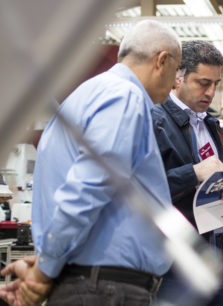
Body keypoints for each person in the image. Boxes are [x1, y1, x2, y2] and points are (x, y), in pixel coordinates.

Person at [0, 20, 182, 306]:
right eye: (176, 71)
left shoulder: (82, 98)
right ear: (162, 60)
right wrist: (44, 272)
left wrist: (47, 265)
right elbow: (89, 187)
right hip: (108, 289)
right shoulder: (125, 96)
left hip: (90, 282)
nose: (174, 84)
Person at [152, 40, 223, 305]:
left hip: (215, 257)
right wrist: (194, 172)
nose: (211, 92)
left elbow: (210, 186)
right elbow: (144, 189)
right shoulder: (154, 120)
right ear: (177, 78)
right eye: (203, 83)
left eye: (216, 84)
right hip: (175, 263)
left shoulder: (210, 125)